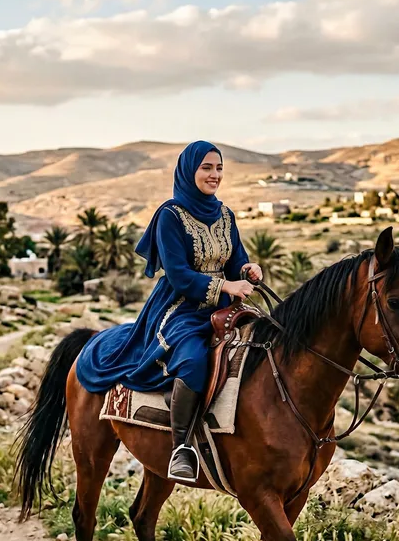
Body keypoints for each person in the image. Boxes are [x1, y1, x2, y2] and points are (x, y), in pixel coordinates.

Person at [76, 141, 263, 482]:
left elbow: (235, 259)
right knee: (192, 360)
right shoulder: (170, 215)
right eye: (207, 167)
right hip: (180, 309)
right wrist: (225, 287)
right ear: (189, 170)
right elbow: (178, 275)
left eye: (219, 168)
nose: (215, 175)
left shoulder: (225, 214)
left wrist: (248, 268)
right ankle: (182, 448)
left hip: (224, 308)